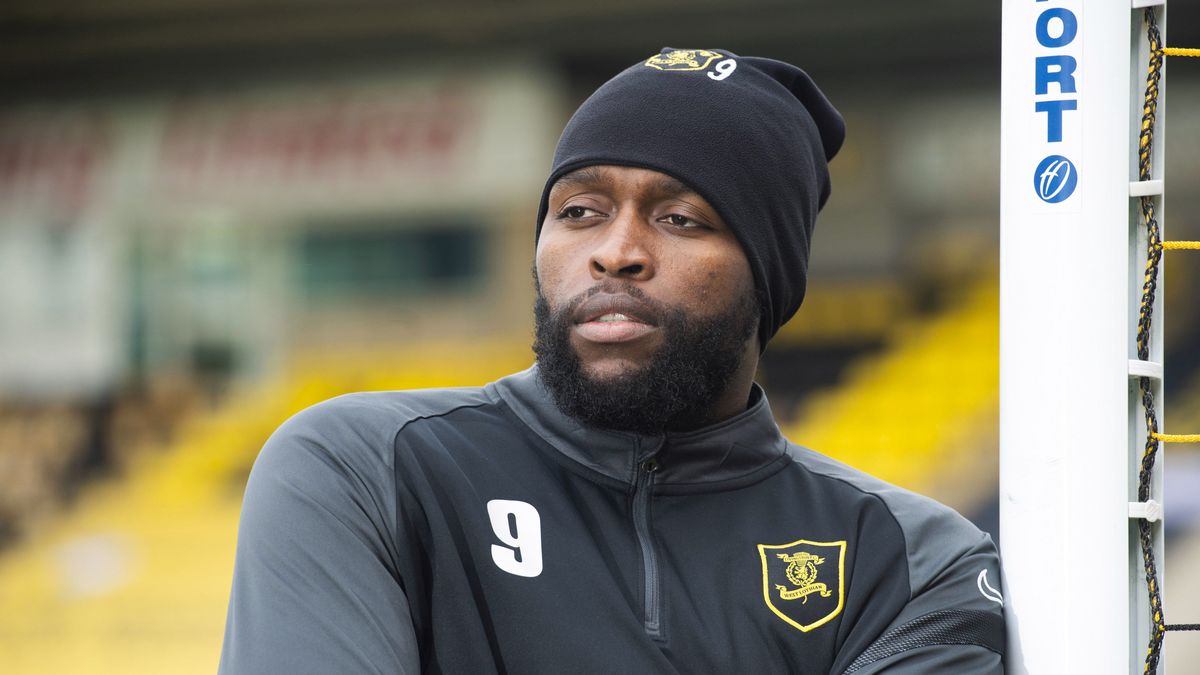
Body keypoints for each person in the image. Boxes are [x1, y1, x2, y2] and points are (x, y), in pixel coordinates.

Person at [218, 48, 1005, 674]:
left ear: (768, 274)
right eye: (579, 211)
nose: (615, 252)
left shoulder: (910, 560)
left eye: (681, 217)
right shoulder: (366, 467)